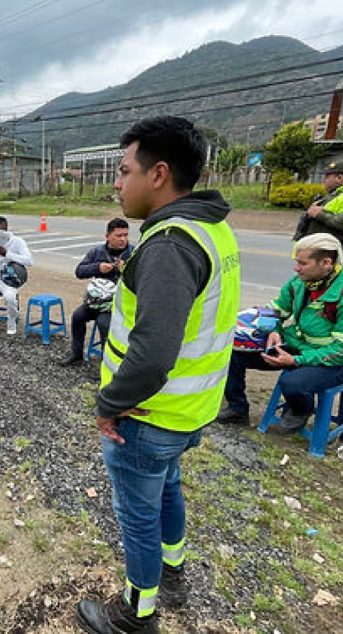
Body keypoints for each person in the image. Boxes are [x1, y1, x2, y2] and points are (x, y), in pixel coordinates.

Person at [75, 116, 241, 634]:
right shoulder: (211, 227)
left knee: (138, 516)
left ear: (159, 174)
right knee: (167, 490)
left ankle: (136, 613)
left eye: (124, 170)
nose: (117, 183)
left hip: (148, 415)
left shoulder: (170, 245)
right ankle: (174, 570)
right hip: (188, 413)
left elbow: (151, 354)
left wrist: (107, 404)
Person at [216, 233, 343, 430]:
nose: (296, 268)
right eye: (296, 262)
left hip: (335, 361)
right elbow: (275, 311)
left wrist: (296, 361)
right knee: (232, 352)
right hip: (297, 347)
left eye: (303, 263)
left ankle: (302, 409)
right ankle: (237, 409)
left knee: (291, 383)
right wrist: (274, 329)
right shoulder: (300, 283)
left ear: (326, 262)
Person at [59, 218, 133, 366]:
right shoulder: (97, 251)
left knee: (104, 323)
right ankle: (77, 353)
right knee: (78, 316)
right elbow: (79, 271)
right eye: (119, 236)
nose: (123, 239)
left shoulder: (133, 253)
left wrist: (126, 269)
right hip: (97, 302)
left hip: (118, 304)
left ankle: (108, 364)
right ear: (107, 236)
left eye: (125, 235)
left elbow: (142, 279)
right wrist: (97, 267)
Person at [293, 160, 343, 271]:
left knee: (331, 288)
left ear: (339, 178)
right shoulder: (335, 195)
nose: (324, 180)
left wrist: (320, 214)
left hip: (336, 258)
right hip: (320, 256)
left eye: (327, 176)